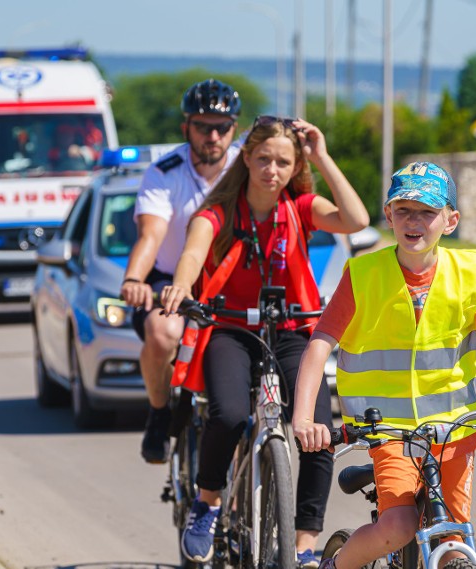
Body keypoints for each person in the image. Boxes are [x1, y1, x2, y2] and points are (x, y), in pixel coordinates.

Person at [293, 162, 476, 569]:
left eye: (427, 212)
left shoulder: (470, 273)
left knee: (452, 534)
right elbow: (319, 346)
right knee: (399, 525)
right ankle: (336, 565)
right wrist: (305, 418)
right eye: (404, 210)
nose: (415, 221)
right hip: (388, 430)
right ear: (389, 215)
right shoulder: (362, 274)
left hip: (455, 429)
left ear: (450, 220)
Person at [160, 115, 370, 566]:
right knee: (231, 415)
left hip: (292, 330)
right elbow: (194, 251)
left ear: (294, 167)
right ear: (247, 159)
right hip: (231, 329)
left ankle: (304, 546)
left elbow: (356, 219)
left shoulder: (300, 207)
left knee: (318, 434)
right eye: (263, 159)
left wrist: (322, 155)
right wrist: (181, 285)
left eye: (282, 162)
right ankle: (209, 502)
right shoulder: (220, 210)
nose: (271, 170)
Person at [120, 79, 241, 465]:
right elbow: (151, 234)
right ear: (185, 127)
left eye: (222, 127)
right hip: (170, 281)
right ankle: (159, 413)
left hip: (230, 284)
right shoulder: (164, 171)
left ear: (234, 129)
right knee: (161, 333)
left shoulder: (248, 168)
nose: (213, 136)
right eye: (204, 126)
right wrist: (134, 280)